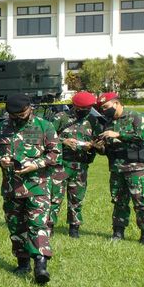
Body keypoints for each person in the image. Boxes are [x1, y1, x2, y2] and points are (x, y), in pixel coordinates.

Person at [0, 93, 59, 283]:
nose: (18, 117)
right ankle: (22, 263)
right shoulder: (0, 128)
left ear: (30, 108)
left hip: (37, 186)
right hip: (11, 187)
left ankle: (40, 264)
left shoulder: (45, 126)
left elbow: (55, 154)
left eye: (22, 113)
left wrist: (36, 164)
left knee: (37, 224)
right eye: (14, 114)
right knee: (17, 227)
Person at [93, 91, 144, 243]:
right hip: (116, 168)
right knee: (118, 201)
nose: (104, 110)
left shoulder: (135, 116)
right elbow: (107, 147)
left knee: (141, 202)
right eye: (101, 108)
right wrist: (98, 147)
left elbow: (142, 136)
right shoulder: (107, 121)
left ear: (116, 103)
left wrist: (118, 134)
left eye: (106, 106)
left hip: (136, 168)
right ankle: (118, 232)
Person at [50, 91, 99, 238]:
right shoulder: (61, 118)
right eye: (85, 107)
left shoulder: (92, 121)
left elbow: (98, 141)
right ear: (76, 106)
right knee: (55, 197)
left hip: (80, 165)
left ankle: (74, 228)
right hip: (61, 164)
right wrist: (63, 141)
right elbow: (46, 137)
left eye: (90, 107)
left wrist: (92, 145)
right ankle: (49, 226)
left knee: (76, 198)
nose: (87, 110)